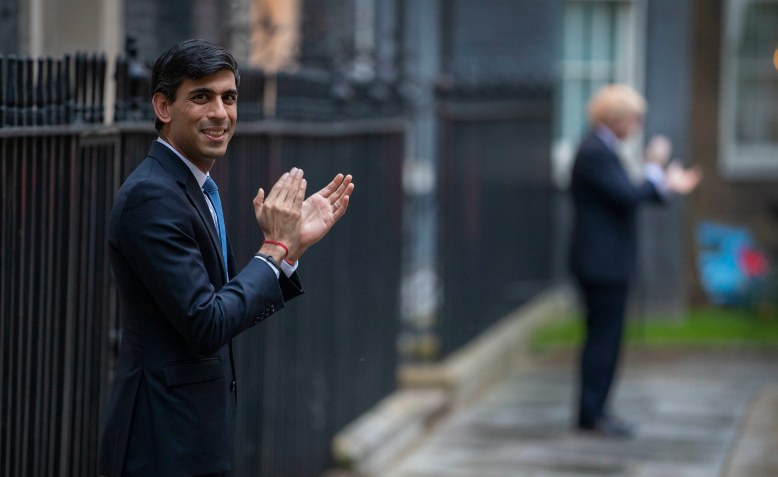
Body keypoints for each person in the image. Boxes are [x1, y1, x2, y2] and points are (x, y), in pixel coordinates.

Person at [98, 39, 354, 476]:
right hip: (160, 446)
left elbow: (221, 307)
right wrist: (273, 249)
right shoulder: (153, 196)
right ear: (163, 106)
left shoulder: (190, 188)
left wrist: (290, 248)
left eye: (229, 97)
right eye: (201, 97)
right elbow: (206, 323)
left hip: (190, 438)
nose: (220, 112)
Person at [568, 84, 700, 438]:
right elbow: (626, 194)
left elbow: (631, 193)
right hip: (601, 263)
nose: (637, 125)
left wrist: (662, 182)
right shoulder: (595, 151)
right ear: (615, 118)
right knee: (603, 340)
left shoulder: (602, 150)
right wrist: (656, 170)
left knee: (607, 339)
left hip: (606, 262)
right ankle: (592, 413)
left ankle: (597, 410)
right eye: (634, 118)